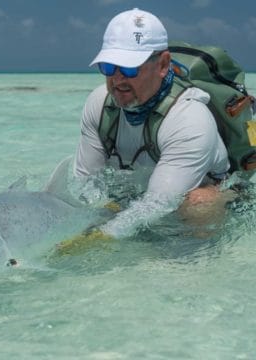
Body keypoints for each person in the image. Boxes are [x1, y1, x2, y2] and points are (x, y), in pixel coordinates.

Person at [73, 8, 231, 238]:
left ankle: (194, 266)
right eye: (108, 66)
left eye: (129, 68)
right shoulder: (99, 103)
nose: (117, 79)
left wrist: (99, 238)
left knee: (200, 204)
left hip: (200, 194)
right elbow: (84, 183)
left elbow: (158, 203)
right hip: (148, 192)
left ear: (163, 64)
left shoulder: (189, 119)